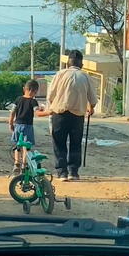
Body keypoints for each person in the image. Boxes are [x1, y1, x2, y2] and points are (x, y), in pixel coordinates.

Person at [47, 50, 98, 181]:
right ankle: (73, 172)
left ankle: (62, 172)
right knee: (75, 143)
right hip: (77, 116)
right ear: (81, 63)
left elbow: (50, 96)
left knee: (59, 143)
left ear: (68, 63)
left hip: (60, 114)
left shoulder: (60, 74)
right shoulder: (85, 76)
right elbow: (93, 99)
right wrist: (90, 108)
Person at [8, 79, 50, 173]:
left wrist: (11, 123)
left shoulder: (18, 99)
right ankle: (24, 164)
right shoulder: (33, 102)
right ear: (33, 91)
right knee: (26, 146)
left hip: (18, 125)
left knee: (17, 145)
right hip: (28, 126)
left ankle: (16, 164)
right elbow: (37, 113)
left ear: (24, 89)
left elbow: (12, 112)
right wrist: (49, 112)